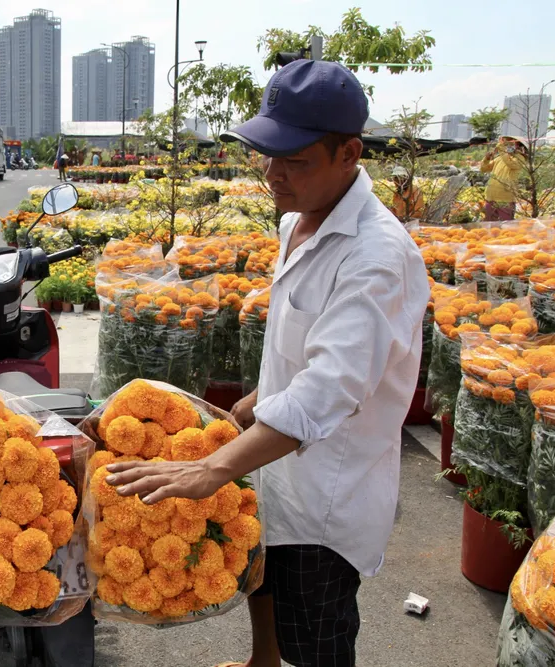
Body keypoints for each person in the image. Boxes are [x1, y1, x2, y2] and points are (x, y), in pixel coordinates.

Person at [106, 60, 430, 667]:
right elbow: (303, 344)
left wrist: (213, 469)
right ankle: (262, 664)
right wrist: (261, 394)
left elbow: (331, 388)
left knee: (315, 629)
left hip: (326, 497)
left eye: (295, 161)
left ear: (349, 153)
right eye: (267, 156)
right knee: (265, 575)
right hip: (277, 461)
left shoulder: (376, 258)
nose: (274, 175)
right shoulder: (297, 222)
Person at [481, 136, 526, 221]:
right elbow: (484, 169)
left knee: (506, 225)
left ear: (519, 146)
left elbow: (510, 163)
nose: (508, 145)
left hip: (506, 198)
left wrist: (501, 149)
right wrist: (486, 159)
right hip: (491, 196)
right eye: (507, 143)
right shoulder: (500, 158)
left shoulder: (520, 158)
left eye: (511, 143)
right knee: (489, 224)